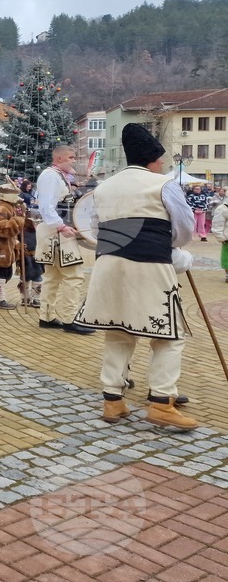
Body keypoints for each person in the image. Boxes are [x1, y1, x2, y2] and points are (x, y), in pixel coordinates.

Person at [74, 124, 198, 430]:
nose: (163, 163)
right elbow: (184, 229)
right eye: (161, 158)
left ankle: (113, 399)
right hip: (148, 265)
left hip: (108, 266)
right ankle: (162, 402)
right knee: (169, 335)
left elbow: (95, 227)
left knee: (118, 331)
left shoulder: (103, 188)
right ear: (152, 158)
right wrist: (171, 250)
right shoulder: (163, 184)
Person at [35, 145, 86, 334]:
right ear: (59, 159)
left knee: (53, 277)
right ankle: (70, 319)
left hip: (53, 232)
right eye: (71, 157)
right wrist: (62, 226)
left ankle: (46, 317)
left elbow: (57, 203)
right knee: (74, 276)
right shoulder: (51, 176)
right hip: (56, 233)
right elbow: (46, 206)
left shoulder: (56, 176)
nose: (74, 160)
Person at [211, 195, 228, 282]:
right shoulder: (223, 209)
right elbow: (217, 224)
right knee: (227, 258)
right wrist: (221, 237)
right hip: (227, 238)